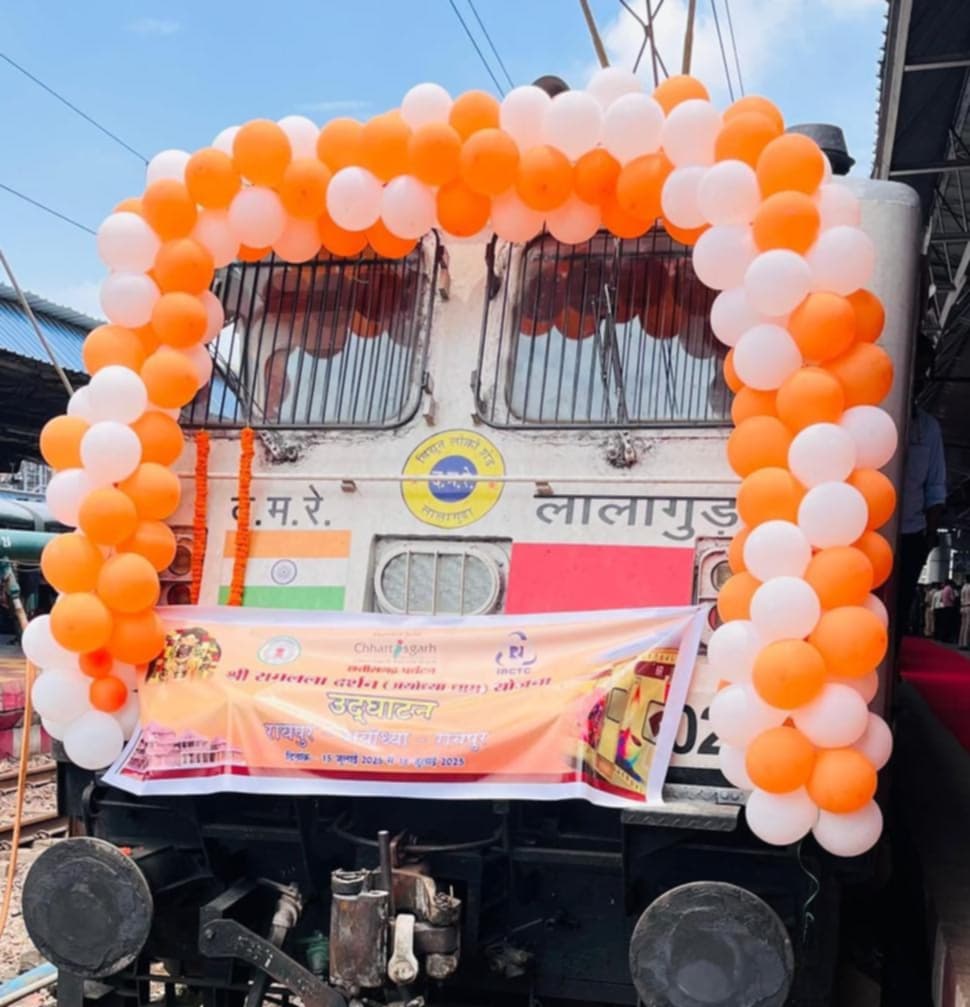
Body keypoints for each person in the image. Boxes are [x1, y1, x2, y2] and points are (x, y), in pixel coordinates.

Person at [897, 342, 947, 643]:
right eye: (917, 368)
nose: (921, 379)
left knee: (900, 608)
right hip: (862, 532)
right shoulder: (867, 417)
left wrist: (928, 537)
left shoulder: (929, 429)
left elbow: (936, 488)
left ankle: (892, 659)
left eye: (925, 371)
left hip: (909, 535)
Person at [959, 579, 970, 649]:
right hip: (968, 607)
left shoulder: (963, 587)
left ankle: (961, 643)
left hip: (963, 607)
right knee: (968, 626)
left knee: (963, 626)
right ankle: (965, 644)